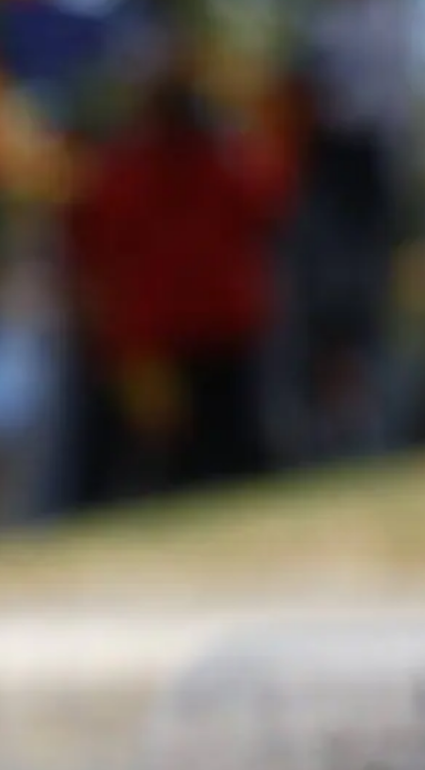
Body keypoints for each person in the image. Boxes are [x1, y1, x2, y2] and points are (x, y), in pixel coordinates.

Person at [62, 51, 293, 502]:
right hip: (203, 333)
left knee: (173, 465)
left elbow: (84, 235)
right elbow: (272, 196)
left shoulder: (124, 169)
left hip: (169, 335)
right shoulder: (225, 161)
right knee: (221, 460)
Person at [277, 0, 416, 463]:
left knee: (355, 305)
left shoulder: (383, 11)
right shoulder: (332, 8)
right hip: (328, 170)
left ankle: (365, 430)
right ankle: (330, 429)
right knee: (321, 308)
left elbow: (365, 107)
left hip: (359, 169)